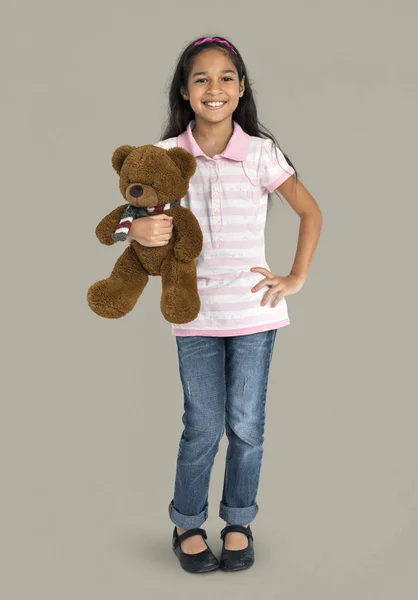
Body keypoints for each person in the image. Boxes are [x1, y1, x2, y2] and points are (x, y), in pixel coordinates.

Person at [126, 35, 323, 572]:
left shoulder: (260, 153)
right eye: (201, 79)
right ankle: (187, 522)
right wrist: (135, 228)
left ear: (240, 91)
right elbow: (129, 214)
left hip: (255, 314)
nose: (214, 88)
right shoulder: (165, 155)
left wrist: (296, 276)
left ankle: (238, 520)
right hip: (194, 313)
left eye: (226, 78)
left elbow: (311, 212)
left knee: (246, 426)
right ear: (185, 93)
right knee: (203, 426)